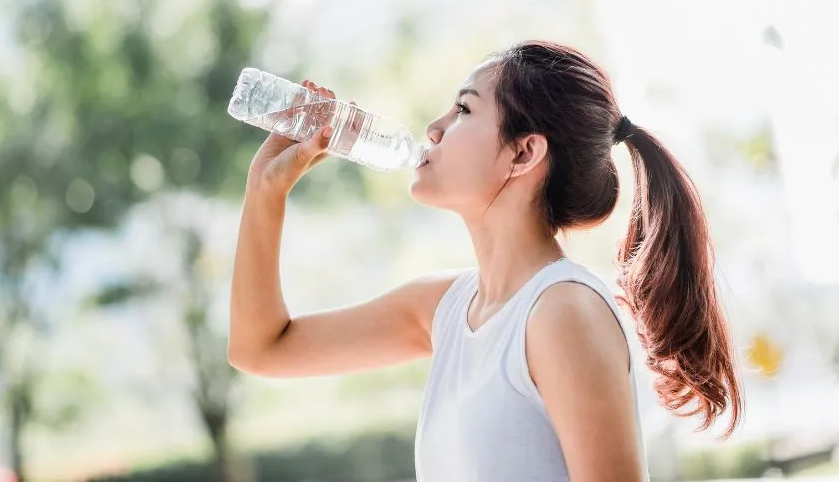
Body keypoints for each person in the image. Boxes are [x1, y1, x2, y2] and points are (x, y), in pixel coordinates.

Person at [227, 41, 744, 480]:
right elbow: (262, 349)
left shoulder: (563, 312)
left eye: (464, 110)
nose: (433, 128)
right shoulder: (445, 309)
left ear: (523, 153)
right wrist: (265, 191)